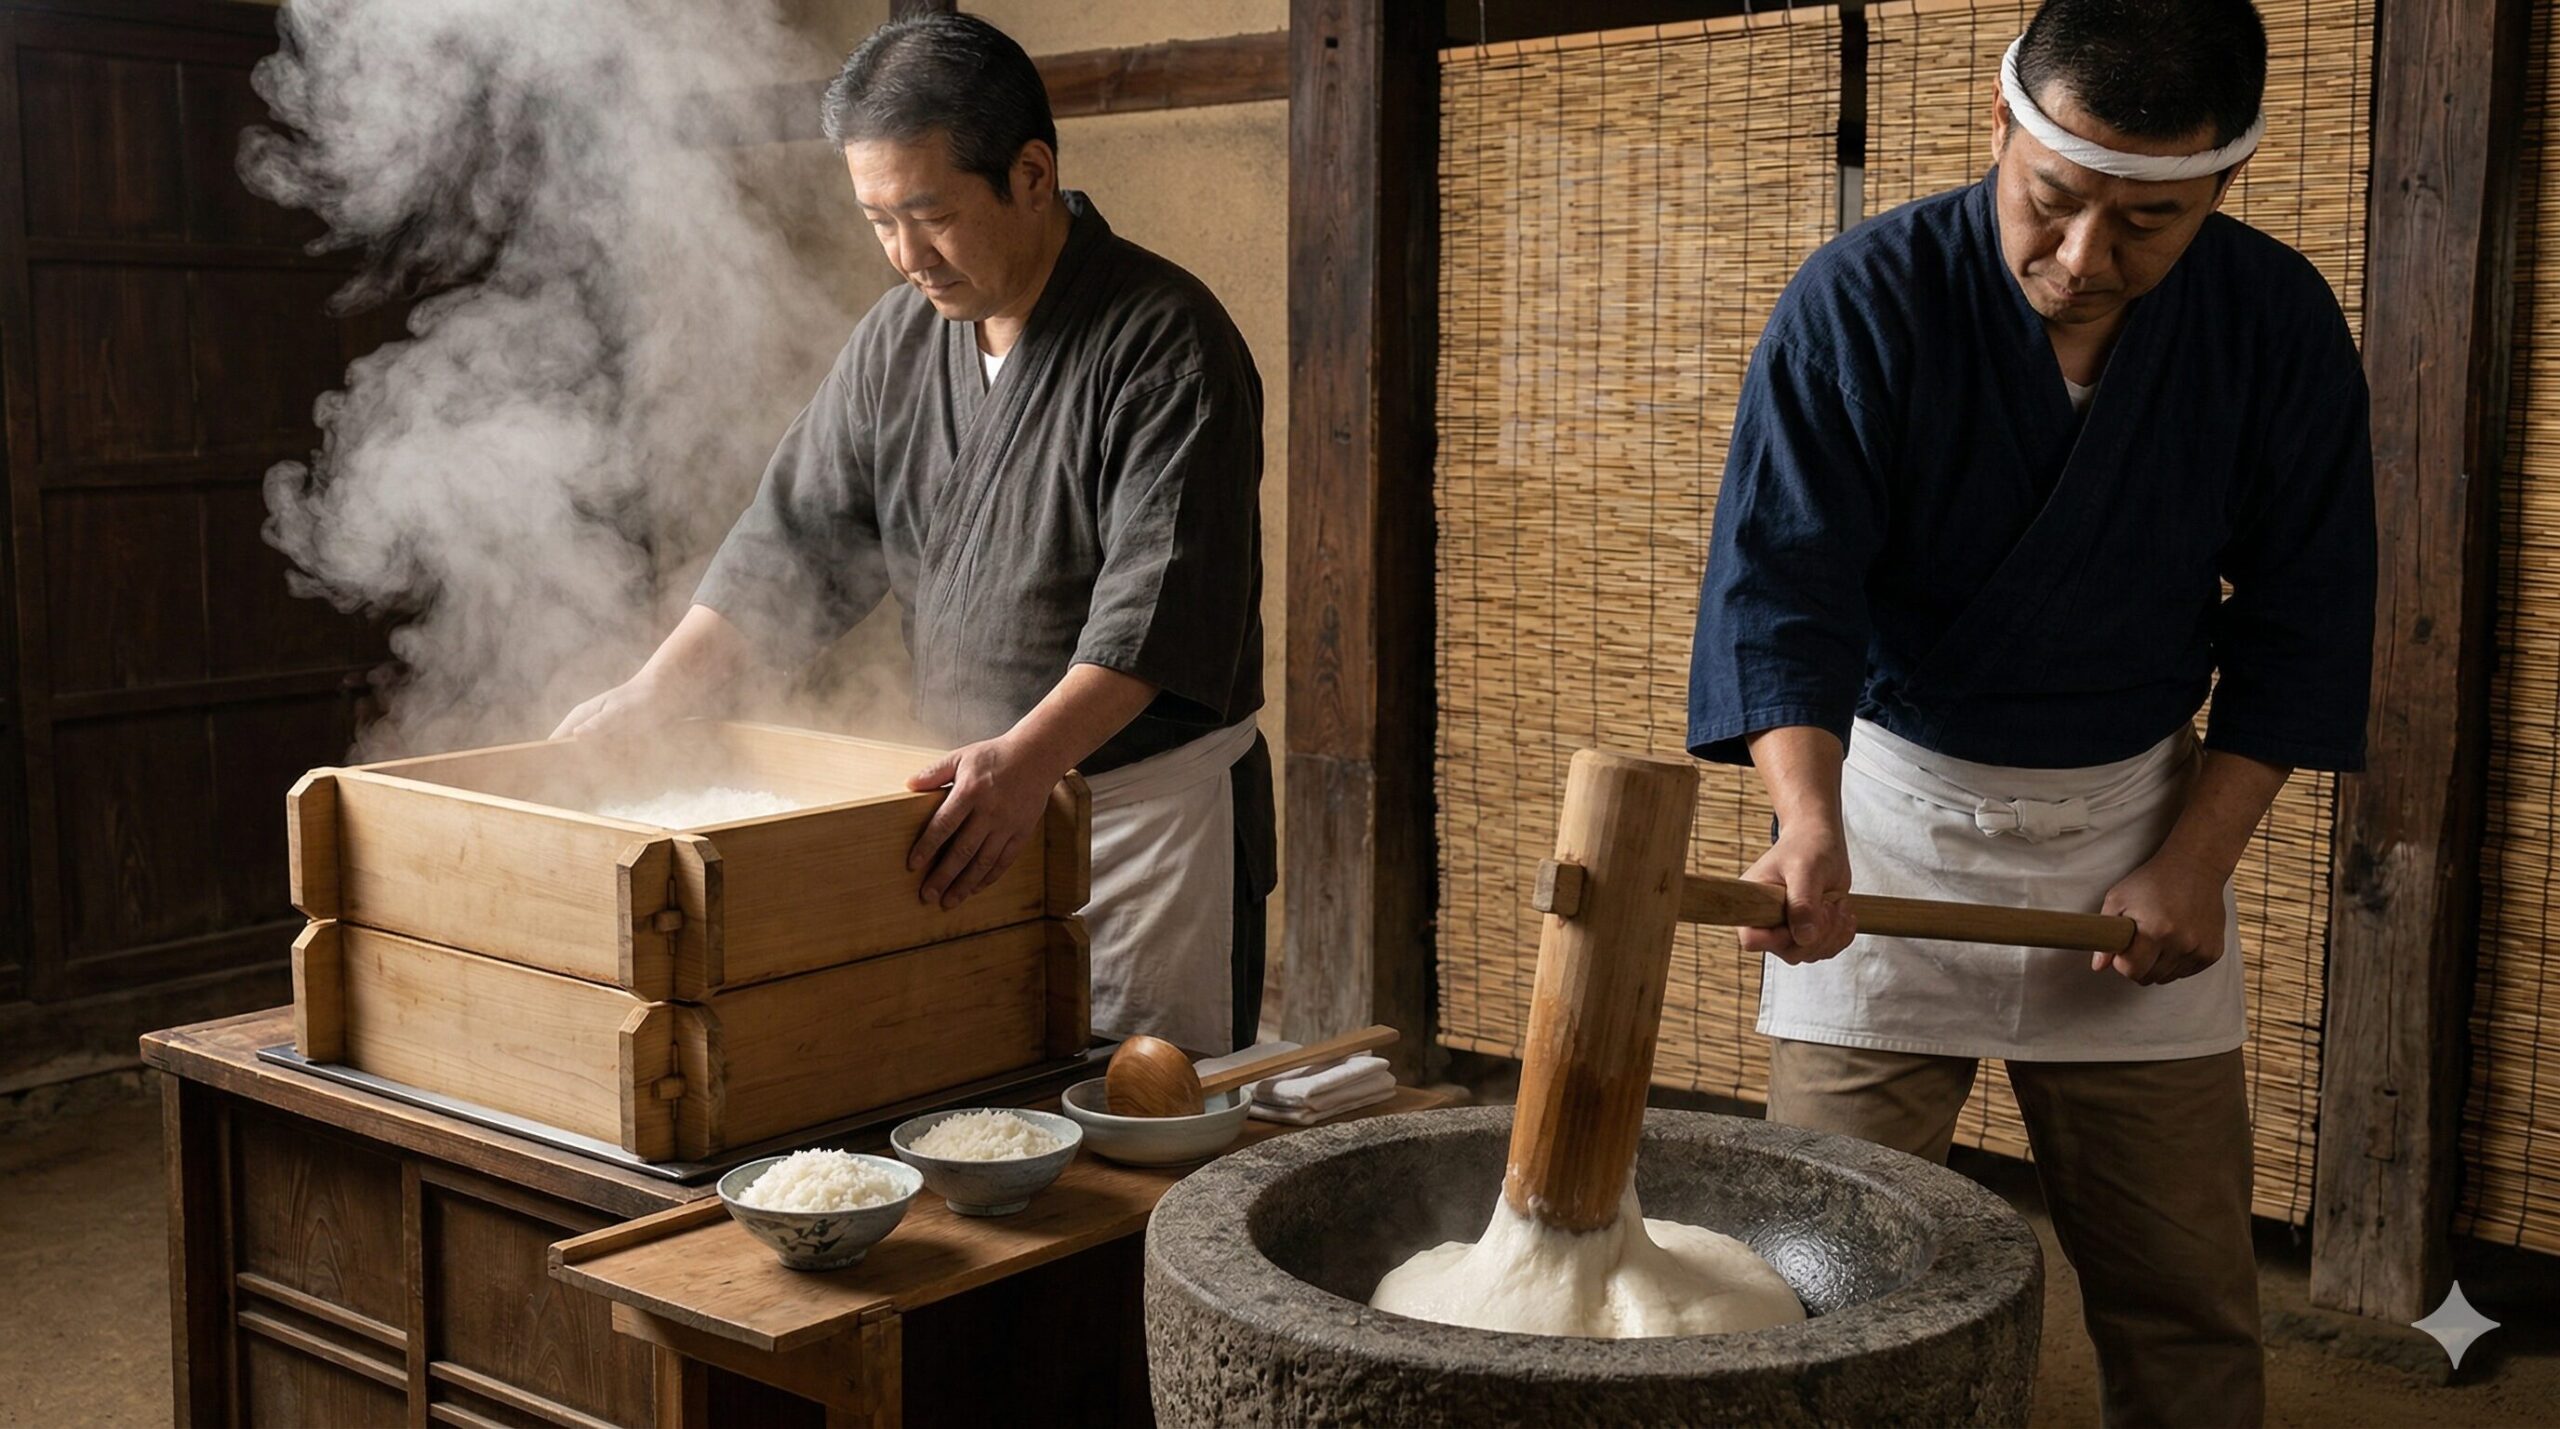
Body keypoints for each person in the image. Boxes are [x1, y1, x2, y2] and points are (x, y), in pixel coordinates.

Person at [1687, 1, 2373, 1423]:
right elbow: (1784, 588)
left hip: (2137, 835)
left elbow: (2305, 623)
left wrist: (2197, 863)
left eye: (2147, 226)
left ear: (2219, 192)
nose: (2080, 261)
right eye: (2055, 205)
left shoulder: (2274, 323)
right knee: (1817, 1289)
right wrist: (1804, 826)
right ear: (1998, 128)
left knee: (2186, 1307)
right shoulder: (1862, 297)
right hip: (1882, 839)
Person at [555, 13, 1272, 1054]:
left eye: (928, 215)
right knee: (982, 1106)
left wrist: (1026, 764)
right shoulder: (896, 340)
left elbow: (1153, 613)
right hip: (972, 811)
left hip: (1134, 820)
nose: (904, 256)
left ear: (1032, 174)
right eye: (878, 220)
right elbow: (790, 549)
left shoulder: (1166, 341)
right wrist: (651, 695)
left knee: (1138, 1130)